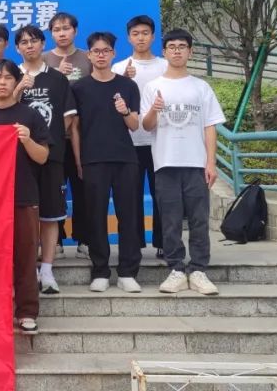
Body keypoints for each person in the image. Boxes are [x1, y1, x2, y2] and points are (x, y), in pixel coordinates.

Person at [140, 29, 226, 296]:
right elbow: (146, 125)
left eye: (182, 46)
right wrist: (154, 109)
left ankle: (198, 269)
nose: (177, 51)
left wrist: (210, 163)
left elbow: (210, 126)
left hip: (195, 163)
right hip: (165, 163)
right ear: (164, 52)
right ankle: (176, 269)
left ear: (190, 51)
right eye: (172, 47)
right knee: (170, 220)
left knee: (199, 219)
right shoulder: (153, 86)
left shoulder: (201, 87)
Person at [0, 59, 49, 335]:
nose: (2, 82)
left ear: (16, 82)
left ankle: (27, 311)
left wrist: (27, 140)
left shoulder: (30, 116)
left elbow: (43, 157)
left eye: (7, 78)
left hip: (23, 197)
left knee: (26, 256)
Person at [70, 32, 143, 293]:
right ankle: (100, 270)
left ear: (113, 54)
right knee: (95, 216)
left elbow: (134, 125)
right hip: (93, 160)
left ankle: (127, 272)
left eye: (106, 51)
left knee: (128, 216)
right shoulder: (79, 88)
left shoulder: (128, 86)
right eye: (96, 51)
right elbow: (75, 128)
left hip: (125, 159)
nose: (101, 55)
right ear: (89, 55)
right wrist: (79, 160)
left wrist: (125, 111)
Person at [14, 25, 76, 294]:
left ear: (42, 44)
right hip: (18, 159)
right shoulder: (11, 75)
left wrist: (47, 139)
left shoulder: (58, 79)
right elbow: (3, 108)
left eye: (34, 40)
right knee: (22, 216)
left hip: (51, 157)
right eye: (23, 42)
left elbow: (68, 117)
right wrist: (18, 88)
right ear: (17, 48)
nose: (29, 45)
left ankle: (48, 270)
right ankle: (26, 269)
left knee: (50, 215)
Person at [113, 15, 169, 257]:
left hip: (159, 141)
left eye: (145, 33)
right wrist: (124, 80)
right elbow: (112, 102)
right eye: (135, 34)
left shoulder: (165, 66)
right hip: (129, 142)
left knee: (162, 194)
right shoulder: (118, 68)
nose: (141, 38)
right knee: (130, 195)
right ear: (129, 38)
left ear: (153, 36)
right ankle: (134, 244)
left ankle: (163, 242)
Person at [45, 12, 93, 258]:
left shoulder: (88, 58)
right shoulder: (44, 60)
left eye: (66, 28)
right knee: (54, 190)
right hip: (53, 137)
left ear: (75, 30)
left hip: (84, 136)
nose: (62, 33)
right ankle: (57, 241)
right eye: (56, 29)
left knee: (83, 187)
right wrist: (57, 75)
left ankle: (84, 238)